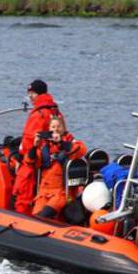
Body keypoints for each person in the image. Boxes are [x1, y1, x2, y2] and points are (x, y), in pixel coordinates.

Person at [12, 79, 63, 215]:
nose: (30, 96)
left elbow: (29, 139)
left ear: (38, 94)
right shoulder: (55, 110)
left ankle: (22, 216)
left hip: (35, 159)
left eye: (32, 93)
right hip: (51, 158)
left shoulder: (38, 114)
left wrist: (19, 155)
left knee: (23, 185)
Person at [26, 116, 87, 219]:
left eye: (59, 126)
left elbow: (81, 150)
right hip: (44, 192)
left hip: (61, 191)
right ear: (49, 129)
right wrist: (35, 145)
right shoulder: (44, 146)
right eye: (53, 126)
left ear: (63, 128)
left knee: (44, 215)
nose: (56, 129)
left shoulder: (70, 143)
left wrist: (61, 143)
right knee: (35, 218)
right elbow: (29, 160)